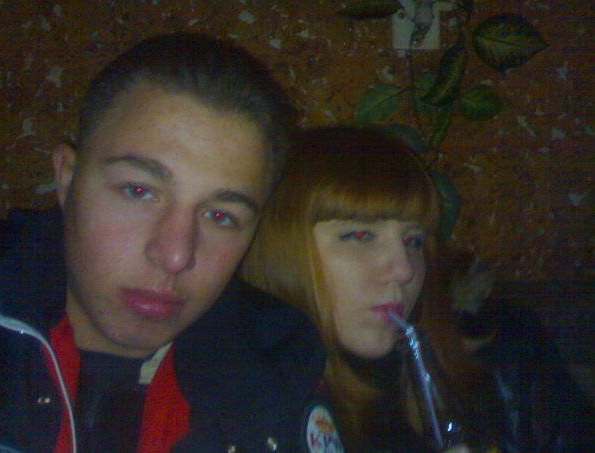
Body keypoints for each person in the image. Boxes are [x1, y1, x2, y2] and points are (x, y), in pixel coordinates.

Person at [0, 33, 343, 453]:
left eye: (220, 216)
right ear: (67, 179)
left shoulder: (278, 368)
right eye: (138, 191)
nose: (176, 256)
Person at [240, 126, 595, 452]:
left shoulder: (506, 356)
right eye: (360, 235)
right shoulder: (247, 399)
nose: (405, 269)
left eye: (413, 240)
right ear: (282, 249)